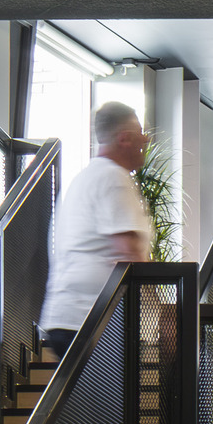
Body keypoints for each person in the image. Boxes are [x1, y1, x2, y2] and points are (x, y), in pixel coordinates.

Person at [38, 100, 155, 362]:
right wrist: (159, 317)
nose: (145, 142)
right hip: (94, 319)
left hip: (64, 317)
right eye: (141, 135)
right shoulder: (114, 177)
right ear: (124, 138)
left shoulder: (82, 179)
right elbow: (131, 254)